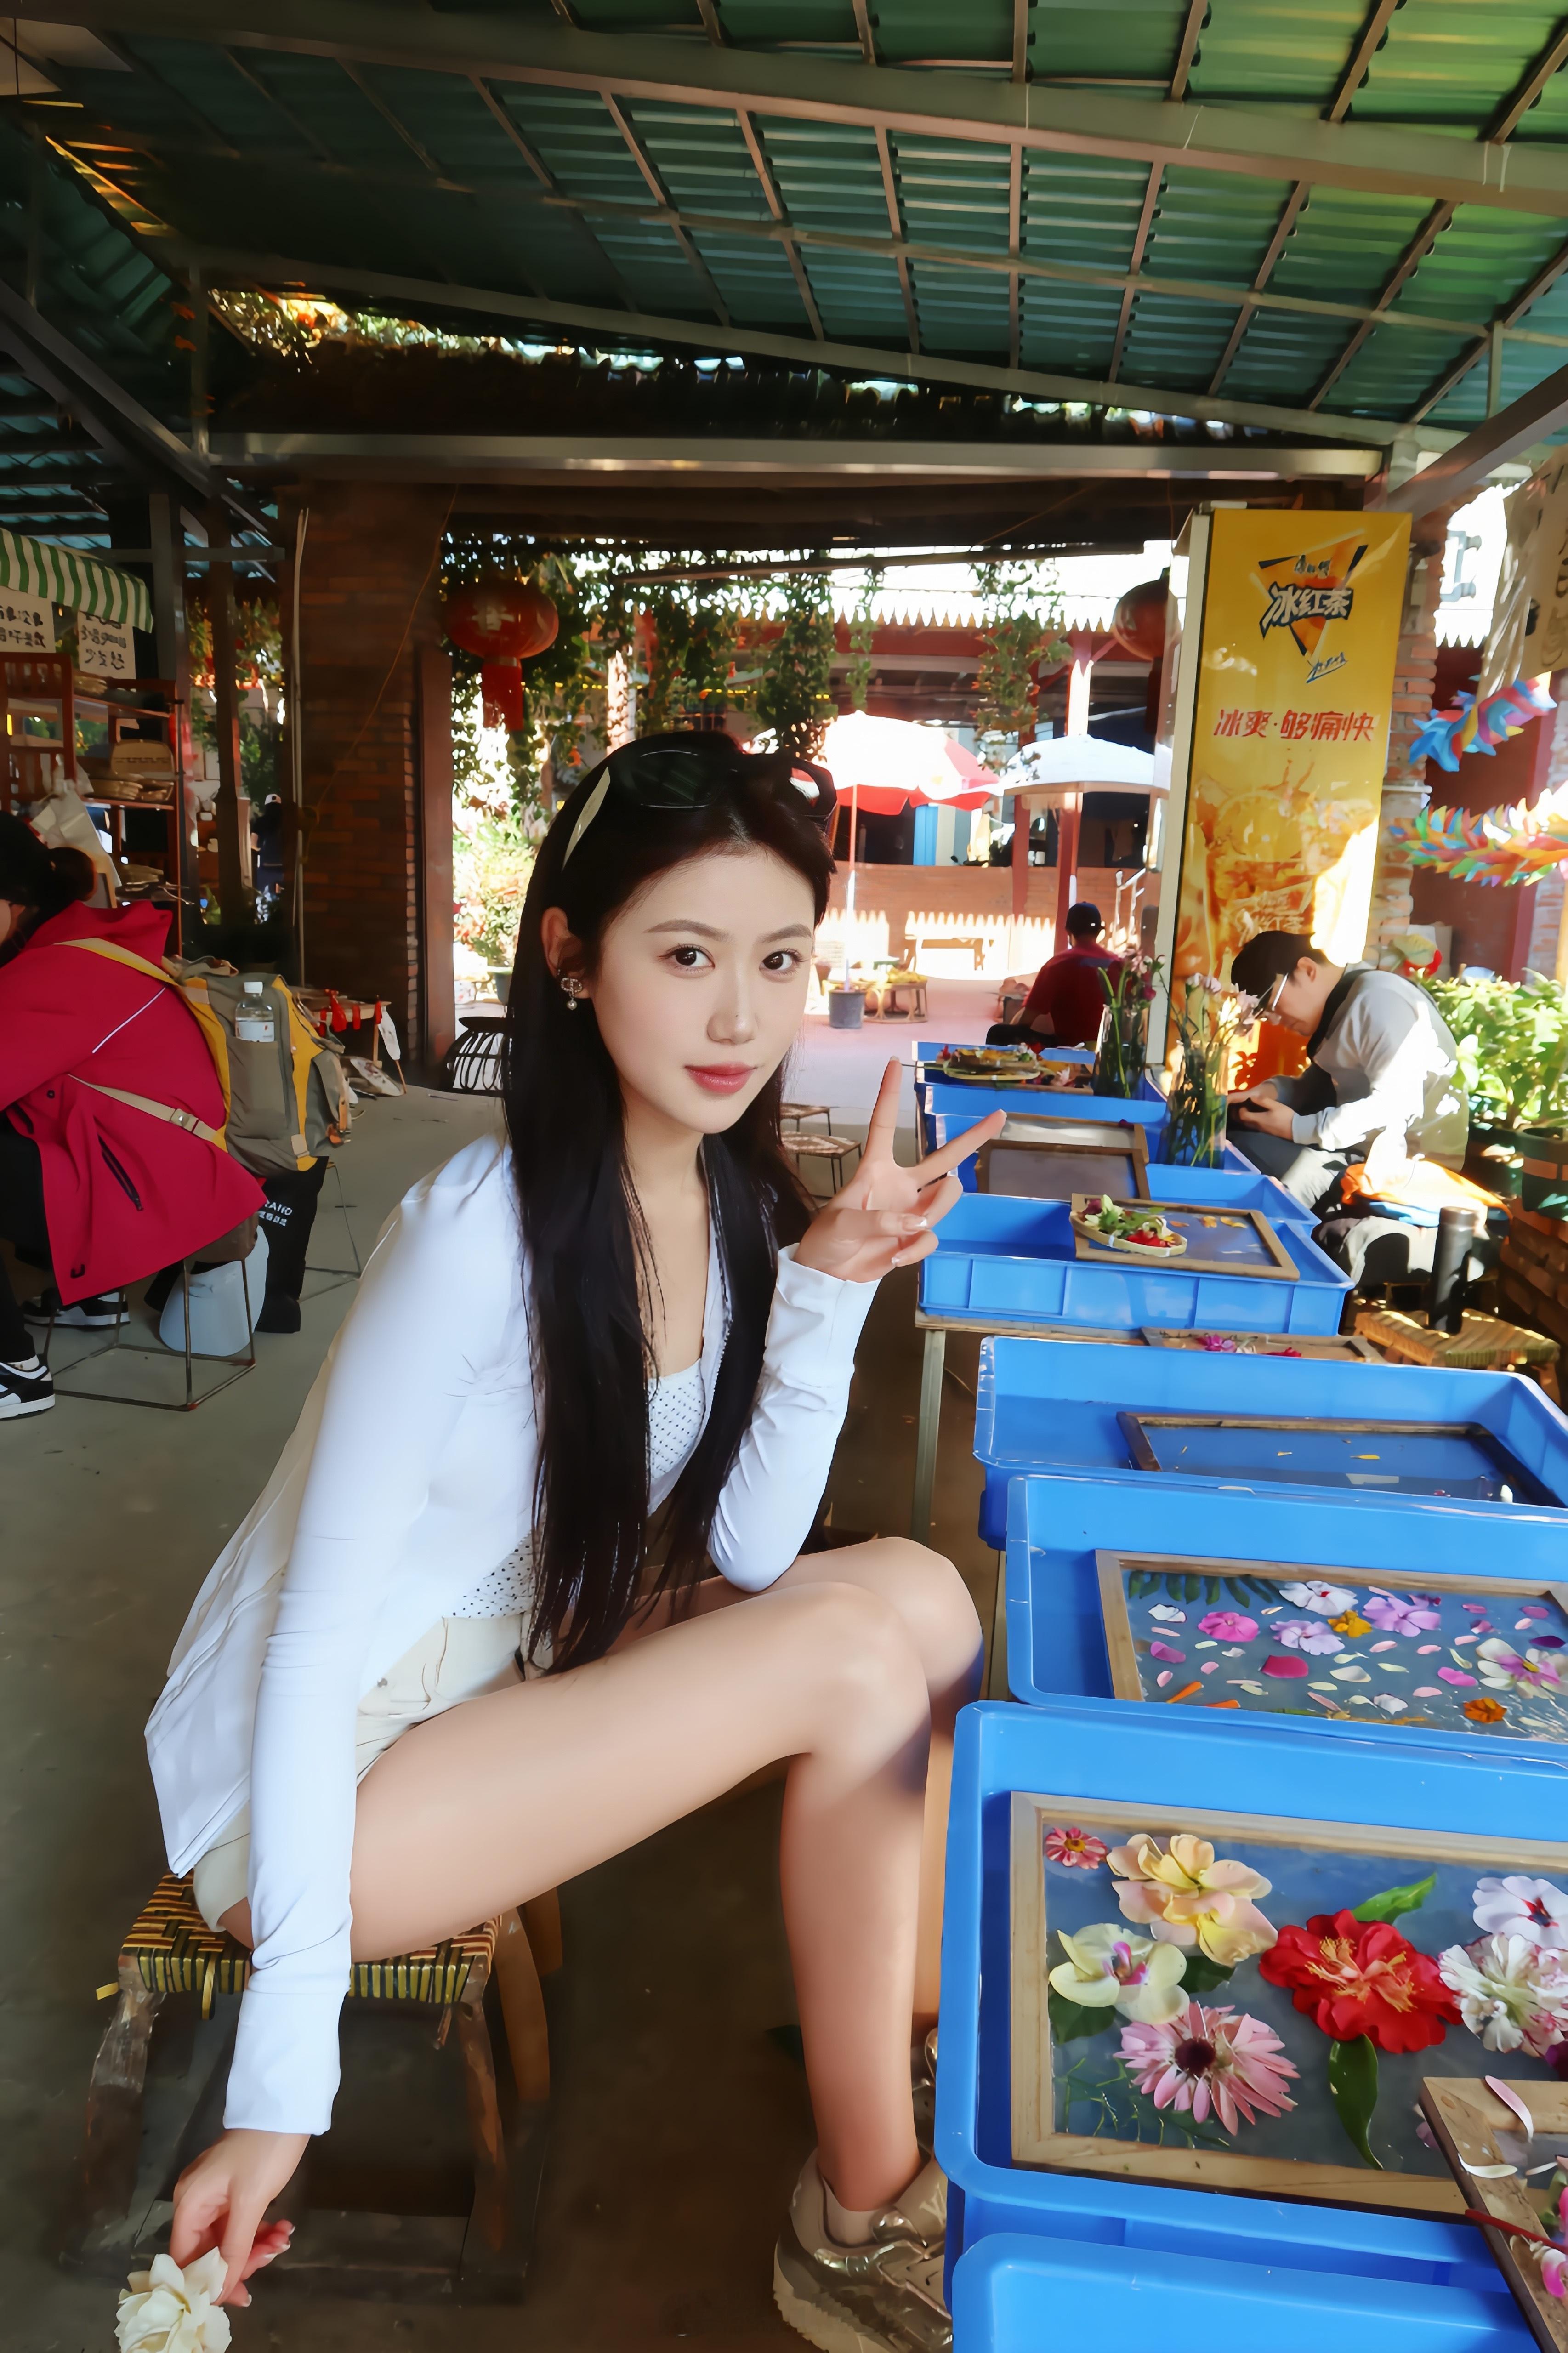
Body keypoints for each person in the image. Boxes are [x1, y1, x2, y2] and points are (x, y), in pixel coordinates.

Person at [152, 732, 1004, 2352]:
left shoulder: (731, 1203)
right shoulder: (473, 1232)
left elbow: (752, 1547)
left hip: (500, 1672)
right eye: (686, 956)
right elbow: (313, 1641)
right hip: (317, 1793)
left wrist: (829, 1284)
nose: (741, 1018)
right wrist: (281, 2084)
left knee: (913, 1592)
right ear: (570, 953)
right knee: (848, 1655)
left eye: (779, 960)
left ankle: (896, 2017)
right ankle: (860, 2211)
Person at [0, 812, 263, 1420]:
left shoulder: (57, 971)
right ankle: (89, 1299)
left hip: (151, 1196)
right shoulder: (86, 949)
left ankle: (14, 1370)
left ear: (10, 902)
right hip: (171, 1175)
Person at [1227, 929, 1467, 1214]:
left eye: (1271, 1003)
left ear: (1307, 970)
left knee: (1249, 1156)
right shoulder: (1348, 1003)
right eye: (1263, 1014)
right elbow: (1317, 1087)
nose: (1275, 1020)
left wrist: (1296, 1128)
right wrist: (1268, 1093)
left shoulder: (1379, 1001)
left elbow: (1393, 1108)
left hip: (1404, 1172)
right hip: (1363, 1155)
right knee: (1232, 1136)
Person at [987, 902, 1121, 1050]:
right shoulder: (1118, 965)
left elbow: (1027, 1020)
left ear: (1068, 930)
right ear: (1100, 931)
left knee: (998, 1033)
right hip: (1113, 1049)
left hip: (1069, 1046)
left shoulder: (1057, 964)